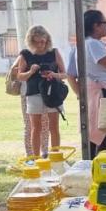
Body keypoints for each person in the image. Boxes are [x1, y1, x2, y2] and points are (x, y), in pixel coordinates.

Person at [14, 25, 67, 156]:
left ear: (47, 40)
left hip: (52, 93)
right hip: (34, 94)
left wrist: (53, 75)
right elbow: (19, 76)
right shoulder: (25, 54)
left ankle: (55, 156)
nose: (40, 45)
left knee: (54, 127)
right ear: (30, 41)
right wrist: (31, 71)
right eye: (36, 42)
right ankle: (36, 158)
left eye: (42, 42)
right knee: (35, 128)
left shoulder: (54, 52)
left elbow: (65, 74)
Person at [71, 10, 106, 157]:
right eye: (105, 24)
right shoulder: (93, 43)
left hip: (92, 91)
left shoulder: (84, 44)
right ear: (96, 26)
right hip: (102, 93)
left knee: (94, 131)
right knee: (105, 135)